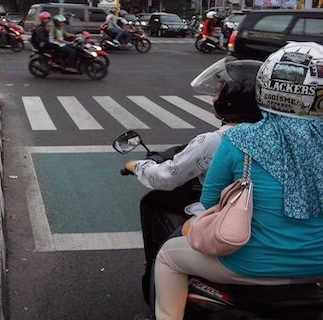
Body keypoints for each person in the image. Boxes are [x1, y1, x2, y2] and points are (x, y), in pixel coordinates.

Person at [154, 42, 323, 320]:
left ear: (266, 86)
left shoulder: (238, 140)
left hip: (250, 264)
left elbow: (208, 205)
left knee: (168, 257)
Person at [124, 57, 263, 306]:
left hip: (231, 233)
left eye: (220, 90)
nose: (214, 97)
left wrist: (138, 166)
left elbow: (166, 178)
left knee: (166, 259)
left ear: (233, 96)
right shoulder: (287, 139)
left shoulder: (218, 141)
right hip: (284, 238)